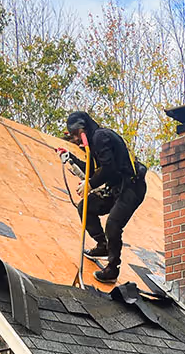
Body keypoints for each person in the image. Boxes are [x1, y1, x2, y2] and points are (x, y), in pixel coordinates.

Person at [61, 110, 147, 283]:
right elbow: (92, 169)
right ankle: (103, 245)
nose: (76, 139)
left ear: (84, 128)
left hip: (131, 187)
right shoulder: (94, 144)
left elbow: (109, 169)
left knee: (113, 225)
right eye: (72, 136)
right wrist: (70, 158)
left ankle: (112, 270)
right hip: (115, 188)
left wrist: (90, 184)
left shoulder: (100, 137)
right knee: (85, 206)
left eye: (77, 134)